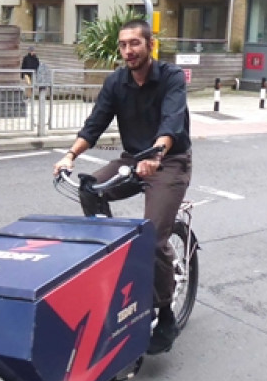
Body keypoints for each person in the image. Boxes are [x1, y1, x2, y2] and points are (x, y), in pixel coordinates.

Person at [53, 19, 192, 356]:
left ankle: (165, 311)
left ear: (149, 44)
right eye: (123, 45)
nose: (128, 51)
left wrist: (158, 152)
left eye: (135, 44)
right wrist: (70, 155)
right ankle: (113, 258)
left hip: (169, 161)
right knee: (89, 188)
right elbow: (95, 123)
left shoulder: (170, 77)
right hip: (132, 159)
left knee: (152, 237)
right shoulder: (116, 81)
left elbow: (172, 119)